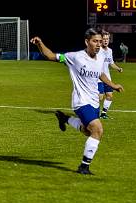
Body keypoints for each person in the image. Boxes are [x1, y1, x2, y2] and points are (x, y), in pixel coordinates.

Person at [30, 28, 124, 174]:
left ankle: (65, 118)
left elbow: (101, 74)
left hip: (94, 102)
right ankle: (84, 167)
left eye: (100, 41)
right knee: (97, 129)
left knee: (88, 131)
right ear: (87, 42)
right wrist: (40, 44)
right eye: (95, 41)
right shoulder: (75, 57)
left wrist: (113, 85)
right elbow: (51, 56)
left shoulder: (100, 57)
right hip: (81, 101)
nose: (98, 44)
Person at [98, 31, 123, 119]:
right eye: (104, 39)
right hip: (98, 78)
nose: (106, 41)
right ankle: (92, 113)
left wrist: (118, 68)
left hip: (107, 78)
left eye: (107, 39)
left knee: (109, 96)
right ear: (100, 40)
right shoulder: (97, 50)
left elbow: (111, 63)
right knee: (100, 97)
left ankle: (103, 114)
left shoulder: (109, 51)